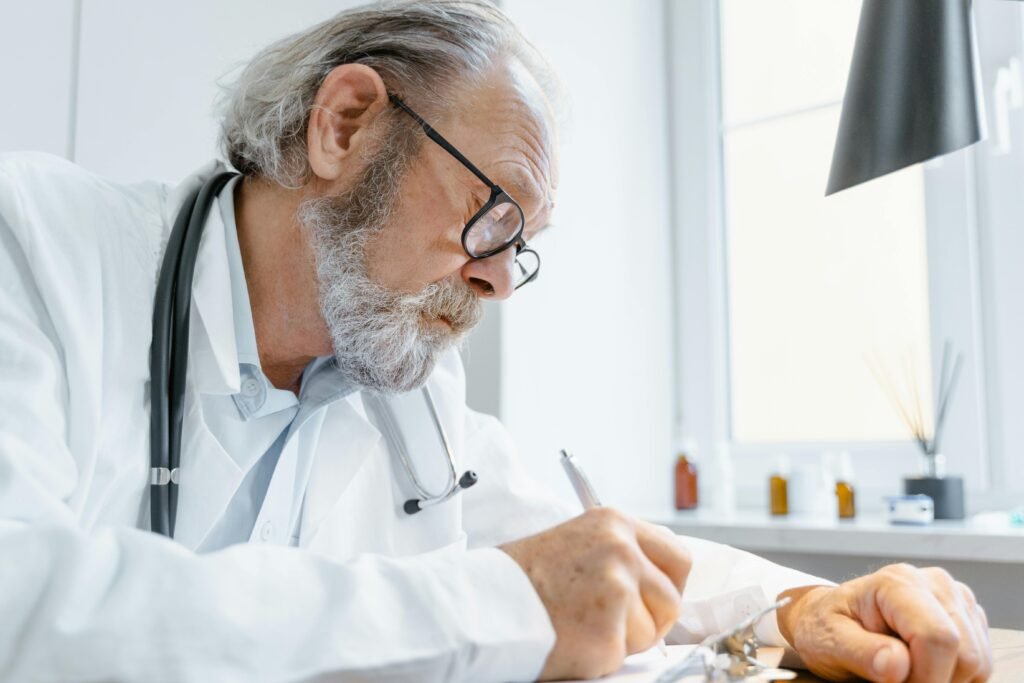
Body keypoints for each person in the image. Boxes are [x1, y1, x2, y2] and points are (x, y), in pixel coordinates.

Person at [0, 2, 991, 682]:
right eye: (493, 218)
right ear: (344, 124)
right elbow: (23, 602)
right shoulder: (35, 243)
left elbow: (606, 564)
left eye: (525, 248)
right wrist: (489, 606)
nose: (498, 279)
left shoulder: (404, 387)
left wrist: (803, 607)